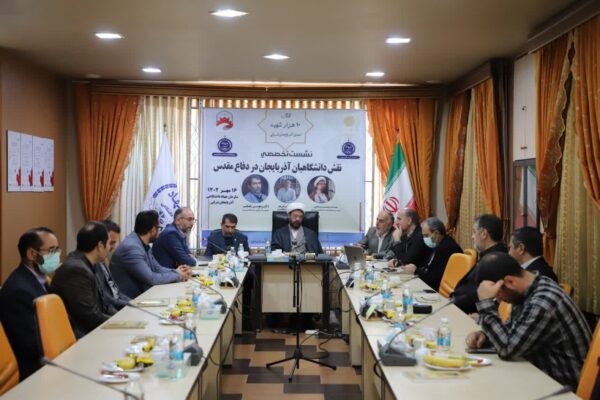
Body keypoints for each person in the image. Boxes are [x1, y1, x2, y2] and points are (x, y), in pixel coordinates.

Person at [466, 252, 591, 389]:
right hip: (537, 375)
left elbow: (507, 349)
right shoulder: (530, 288)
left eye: (497, 295)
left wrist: (486, 304)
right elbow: (515, 333)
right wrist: (486, 336)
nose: (499, 300)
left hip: (562, 388)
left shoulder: (542, 303)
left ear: (510, 281)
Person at [0, 227, 60, 380]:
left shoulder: (43, 280)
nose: (57, 255)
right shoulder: (18, 290)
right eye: (52, 250)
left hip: (55, 356)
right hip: (35, 370)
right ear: (32, 254)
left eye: (57, 250)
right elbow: (31, 344)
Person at [52, 222, 117, 336]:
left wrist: (122, 318)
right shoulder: (77, 270)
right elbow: (89, 317)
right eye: (108, 243)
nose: (109, 248)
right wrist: (119, 323)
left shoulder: (89, 264)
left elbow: (104, 305)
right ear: (100, 245)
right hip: (80, 335)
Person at [110, 210, 192, 299]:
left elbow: (157, 268)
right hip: (128, 300)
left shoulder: (142, 243)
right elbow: (151, 278)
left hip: (143, 295)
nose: (159, 232)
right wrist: (178, 275)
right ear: (153, 230)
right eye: (159, 228)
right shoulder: (132, 248)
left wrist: (178, 271)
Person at [451, 214, 507, 314]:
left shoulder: (495, 260)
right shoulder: (490, 254)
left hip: (470, 313)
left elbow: (479, 293)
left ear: (484, 234)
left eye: (474, 232)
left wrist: (453, 302)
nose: (472, 237)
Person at [402, 217, 463, 291]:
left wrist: (416, 271)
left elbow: (434, 279)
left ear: (436, 233)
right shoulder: (439, 244)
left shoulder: (447, 248)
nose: (424, 239)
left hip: (440, 291)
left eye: (426, 235)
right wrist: (415, 269)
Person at [95, 220, 131, 310]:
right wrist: (130, 305)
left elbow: (116, 292)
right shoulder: (94, 264)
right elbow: (107, 298)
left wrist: (134, 303)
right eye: (111, 242)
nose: (113, 247)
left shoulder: (104, 260)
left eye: (114, 242)